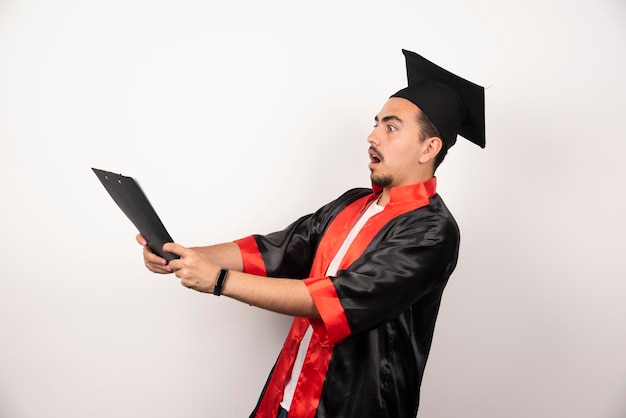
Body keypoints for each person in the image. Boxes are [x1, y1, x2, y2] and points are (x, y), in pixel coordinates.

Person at [137, 49, 486, 418]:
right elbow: (278, 249)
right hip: (290, 394)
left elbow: (340, 298)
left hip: (355, 408)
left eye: (391, 127)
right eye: (376, 123)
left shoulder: (432, 232)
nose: (372, 136)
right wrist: (180, 252)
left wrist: (219, 281)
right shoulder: (354, 204)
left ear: (428, 148)